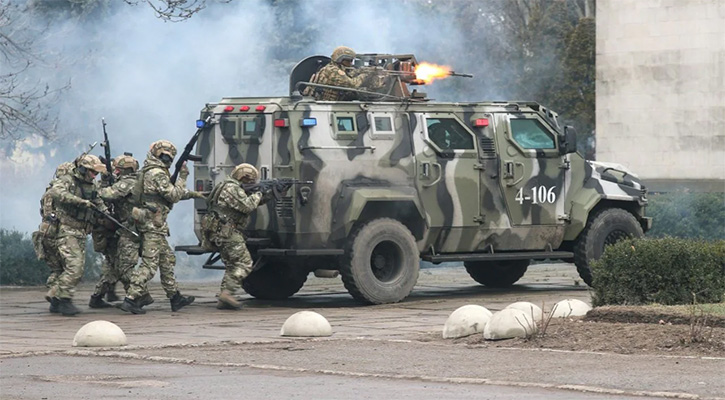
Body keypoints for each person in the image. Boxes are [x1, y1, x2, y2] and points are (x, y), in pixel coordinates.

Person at [119, 140, 201, 314]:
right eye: (166, 156)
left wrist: (195, 194)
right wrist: (184, 177)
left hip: (152, 223)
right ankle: (131, 298)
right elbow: (173, 195)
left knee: (166, 260)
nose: (168, 159)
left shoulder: (150, 170)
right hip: (152, 224)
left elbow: (164, 194)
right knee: (149, 265)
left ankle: (175, 297)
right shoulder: (157, 173)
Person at [89, 154, 154, 309]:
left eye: (118, 170)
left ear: (126, 170)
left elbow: (107, 194)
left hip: (129, 230)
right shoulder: (128, 181)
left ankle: (138, 295)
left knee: (123, 268)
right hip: (120, 228)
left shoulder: (129, 183)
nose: (116, 172)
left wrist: (93, 185)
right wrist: (106, 178)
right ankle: (99, 296)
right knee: (112, 265)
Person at [46, 154, 108, 316]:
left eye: (96, 173)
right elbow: (56, 192)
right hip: (67, 230)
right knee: (75, 268)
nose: (95, 176)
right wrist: (80, 202)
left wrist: (107, 215)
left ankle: (56, 299)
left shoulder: (91, 185)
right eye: (92, 172)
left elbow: (99, 202)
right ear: (83, 169)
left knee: (75, 268)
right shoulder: (68, 180)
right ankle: (64, 299)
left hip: (81, 231)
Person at [200, 163, 266, 310]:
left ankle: (224, 298)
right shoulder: (232, 188)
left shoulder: (224, 185)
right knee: (244, 263)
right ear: (245, 177)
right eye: (250, 181)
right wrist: (259, 193)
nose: (251, 183)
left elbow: (242, 205)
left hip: (221, 232)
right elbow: (247, 206)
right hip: (227, 232)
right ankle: (227, 293)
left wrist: (267, 195)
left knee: (231, 265)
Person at [32, 161, 74, 314]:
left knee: (57, 268)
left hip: (44, 232)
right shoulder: (60, 192)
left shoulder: (48, 191)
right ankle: (55, 294)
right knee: (69, 267)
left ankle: (54, 302)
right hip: (56, 232)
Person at [307, 46, 385, 101]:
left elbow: (349, 74)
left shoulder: (332, 68)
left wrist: (362, 70)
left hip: (329, 102)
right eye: (348, 61)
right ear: (340, 59)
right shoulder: (333, 71)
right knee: (359, 91)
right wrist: (365, 75)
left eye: (351, 61)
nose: (351, 63)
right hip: (325, 103)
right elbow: (353, 84)